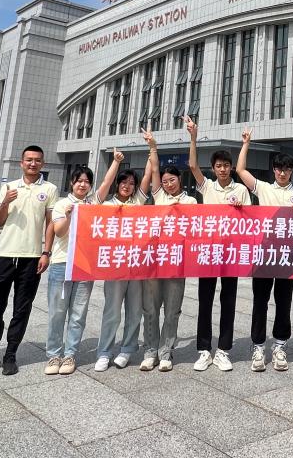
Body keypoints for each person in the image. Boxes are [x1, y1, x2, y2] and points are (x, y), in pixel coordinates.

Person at [0, 145, 58, 377]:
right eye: (29, 160)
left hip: (31, 258)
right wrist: (4, 202)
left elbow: (50, 223)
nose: (33, 163)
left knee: (22, 308)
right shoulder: (9, 187)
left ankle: (11, 354)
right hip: (4, 255)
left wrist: (46, 252)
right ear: (21, 163)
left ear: (43, 164)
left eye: (37, 160)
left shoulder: (50, 189)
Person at [46, 150, 124, 375]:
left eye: (87, 182)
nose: (83, 185)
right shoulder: (62, 204)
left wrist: (116, 162)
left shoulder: (92, 203)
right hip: (61, 264)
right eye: (79, 181)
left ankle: (70, 354)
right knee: (57, 313)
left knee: (78, 314)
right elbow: (59, 232)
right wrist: (69, 215)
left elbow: (106, 184)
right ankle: (54, 355)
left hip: (84, 266)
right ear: (72, 183)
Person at [237, 128, 293, 372]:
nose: (282, 172)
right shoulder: (264, 188)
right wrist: (246, 143)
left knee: (284, 301)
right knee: (260, 301)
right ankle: (258, 346)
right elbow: (240, 171)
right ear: (274, 170)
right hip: (265, 254)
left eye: (286, 169)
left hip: (287, 255)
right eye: (278, 168)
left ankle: (280, 345)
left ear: (292, 171)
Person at [186, 117, 249, 372]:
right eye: (218, 166)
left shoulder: (241, 190)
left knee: (229, 300)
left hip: (230, 253)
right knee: (205, 299)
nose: (222, 169)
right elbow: (192, 165)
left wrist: (241, 210)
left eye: (226, 166)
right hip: (208, 251)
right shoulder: (207, 187)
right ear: (213, 168)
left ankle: (223, 350)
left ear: (231, 168)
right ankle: (204, 350)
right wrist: (193, 137)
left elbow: (251, 221)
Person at [94, 157, 151, 372]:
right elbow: (104, 185)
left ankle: (127, 349)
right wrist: (116, 163)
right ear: (117, 184)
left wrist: (152, 149)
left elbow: (147, 177)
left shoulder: (137, 203)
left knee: (135, 311)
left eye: (131, 183)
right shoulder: (106, 205)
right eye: (124, 182)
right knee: (112, 312)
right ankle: (104, 352)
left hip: (136, 266)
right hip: (115, 266)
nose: (127, 186)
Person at [140, 129, 189, 372]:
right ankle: (150, 351)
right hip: (154, 261)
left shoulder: (191, 202)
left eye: (172, 180)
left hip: (177, 263)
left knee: (172, 311)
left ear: (180, 179)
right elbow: (155, 170)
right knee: (150, 309)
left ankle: (166, 352)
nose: (168, 184)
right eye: (165, 181)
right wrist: (153, 147)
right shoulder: (158, 196)